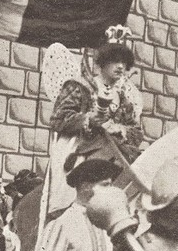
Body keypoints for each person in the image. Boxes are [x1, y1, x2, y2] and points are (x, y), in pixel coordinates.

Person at [45, 31, 144, 220]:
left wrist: (121, 129)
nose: (121, 67)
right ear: (102, 63)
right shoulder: (79, 87)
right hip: (81, 145)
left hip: (117, 148)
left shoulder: (124, 98)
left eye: (124, 62)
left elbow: (137, 132)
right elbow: (58, 119)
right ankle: (64, 210)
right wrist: (89, 120)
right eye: (115, 61)